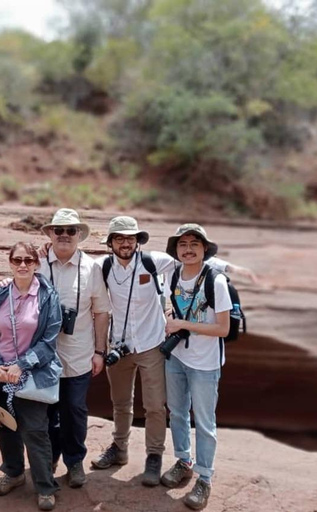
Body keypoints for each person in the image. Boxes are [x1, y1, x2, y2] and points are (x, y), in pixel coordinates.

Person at [90, 216, 253, 487]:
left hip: (153, 345)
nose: (125, 243)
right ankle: (119, 448)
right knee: (120, 403)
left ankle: (154, 456)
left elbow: (195, 260)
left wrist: (232, 267)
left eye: (130, 238)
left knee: (155, 406)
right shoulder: (102, 266)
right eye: (119, 238)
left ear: (138, 241)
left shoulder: (154, 261)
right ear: (110, 243)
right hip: (118, 346)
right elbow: (78, 270)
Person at [0, 242, 63, 511]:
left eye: (28, 260)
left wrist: (21, 365)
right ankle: (13, 473)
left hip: (32, 375)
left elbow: (49, 341)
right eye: (17, 260)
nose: (22, 265)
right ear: (10, 263)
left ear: (37, 263)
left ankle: (45, 486)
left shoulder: (48, 296)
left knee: (35, 430)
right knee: (3, 426)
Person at [160, 224, 232, 511]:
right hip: (177, 357)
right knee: (177, 412)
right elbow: (170, 302)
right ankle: (183, 461)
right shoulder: (174, 274)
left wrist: (183, 325)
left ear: (204, 249)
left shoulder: (216, 281)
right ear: (177, 250)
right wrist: (170, 316)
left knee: (204, 422)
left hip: (205, 363)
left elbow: (224, 328)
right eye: (183, 245)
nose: (188, 249)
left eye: (194, 244)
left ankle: (204, 477)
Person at [38, 209, 111, 489]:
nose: (65, 235)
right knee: (45, 411)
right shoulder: (39, 263)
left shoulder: (91, 268)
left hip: (79, 353)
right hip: (44, 355)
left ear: (79, 235)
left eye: (71, 231)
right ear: (50, 234)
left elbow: (101, 312)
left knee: (75, 410)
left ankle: (75, 461)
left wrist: (99, 352)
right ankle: (48, 458)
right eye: (59, 230)